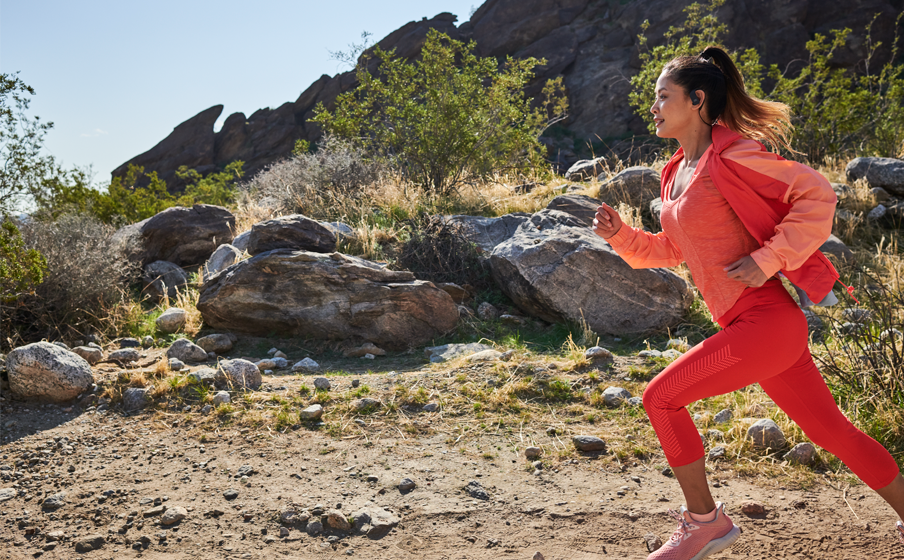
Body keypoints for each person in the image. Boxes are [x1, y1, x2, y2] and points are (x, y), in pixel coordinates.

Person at [591, 46, 904, 560]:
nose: (653, 107)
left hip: (766, 321)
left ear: (696, 99)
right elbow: (677, 250)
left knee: (660, 398)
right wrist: (622, 235)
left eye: (662, 97)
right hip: (753, 326)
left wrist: (770, 258)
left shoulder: (733, 156)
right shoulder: (676, 173)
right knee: (833, 433)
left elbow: (817, 193)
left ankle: (705, 522)